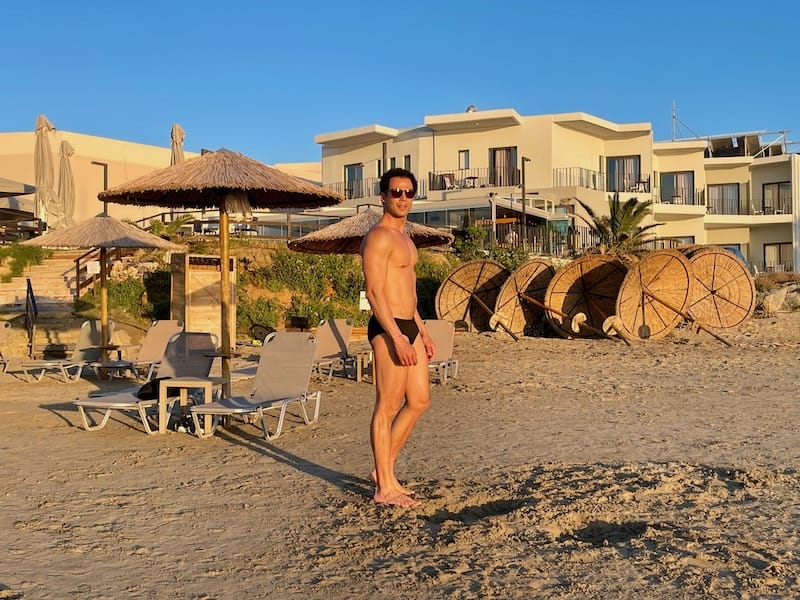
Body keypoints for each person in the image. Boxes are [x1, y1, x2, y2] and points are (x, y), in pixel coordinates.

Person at [360, 168, 435, 507]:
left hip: (409, 326)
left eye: (408, 193)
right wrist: (396, 337)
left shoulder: (407, 238)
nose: (402, 199)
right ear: (383, 197)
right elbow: (375, 294)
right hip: (387, 327)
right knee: (388, 406)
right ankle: (384, 488)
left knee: (419, 401)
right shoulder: (378, 238)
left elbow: (408, 291)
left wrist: (421, 330)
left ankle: (383, 469)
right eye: (396, 193)